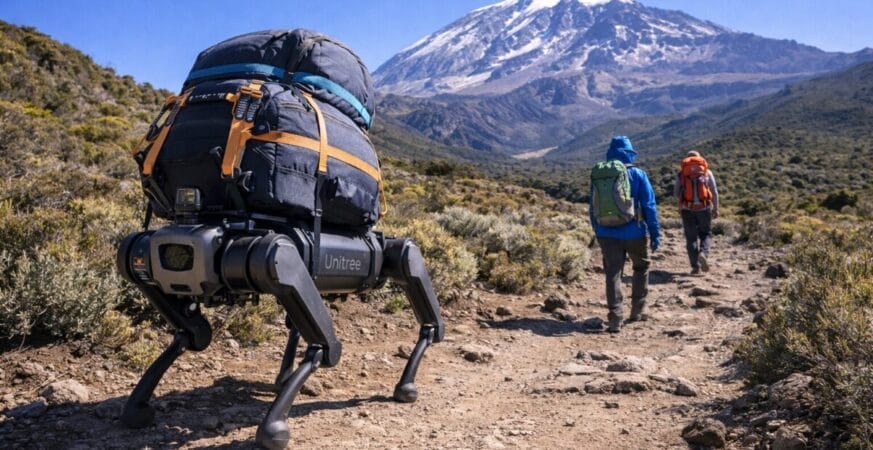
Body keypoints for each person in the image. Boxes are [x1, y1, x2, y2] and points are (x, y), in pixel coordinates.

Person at [589, 136, 661, 333]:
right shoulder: (638, 174)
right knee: (641, 267)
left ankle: (615, 317)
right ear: (630, 153)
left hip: (606, 232)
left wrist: (597, 230)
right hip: (634, 231)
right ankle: (637, 309)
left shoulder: (600, 175)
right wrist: (655, 233)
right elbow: (649, 206)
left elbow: (592, 207)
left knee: (613, 273)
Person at [674, 150, 719, 275]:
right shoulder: (707, 172)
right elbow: (714, 192)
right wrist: (716, 208)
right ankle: (703, 253)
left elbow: (676, 193)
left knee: (691, 238)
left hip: (687, 209)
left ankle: (695, 267)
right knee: (705, 234)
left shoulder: (681, 174)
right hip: (704, 208)